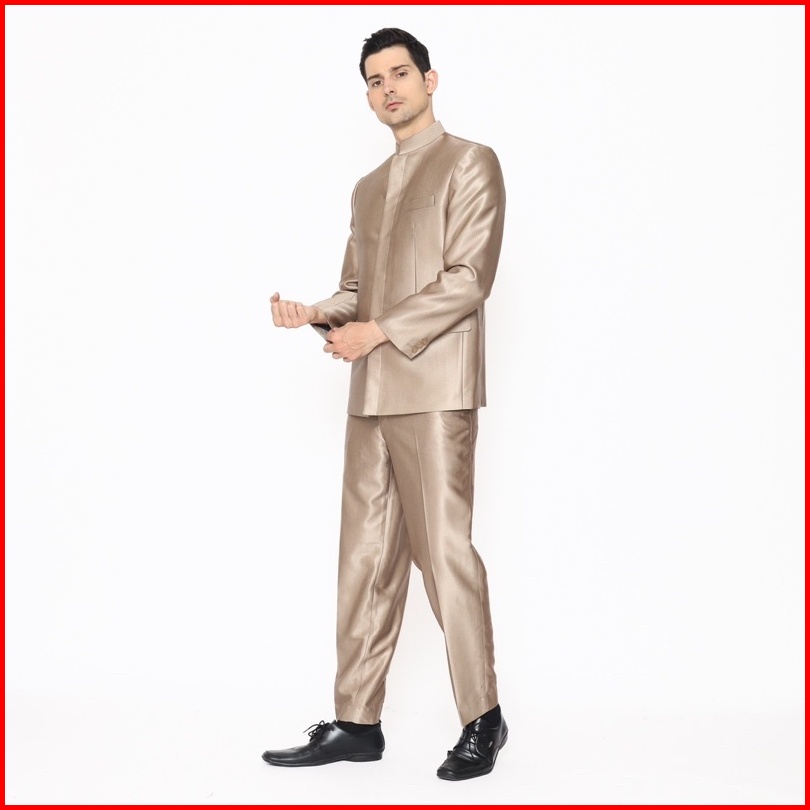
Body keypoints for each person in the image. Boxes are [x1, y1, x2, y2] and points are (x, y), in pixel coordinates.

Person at [263, 27, 507, 781]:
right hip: (370, 391)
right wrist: (316, 313)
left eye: (399, 73)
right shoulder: (367, 187)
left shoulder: (470, 161)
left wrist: (376, 330)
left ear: (430, 80)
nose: (388, 88)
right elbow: (357, 289)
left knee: (444, 553)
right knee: (364, 559)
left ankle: (483, 718)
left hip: (434, 390)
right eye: (374, 80)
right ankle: (356, 722)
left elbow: (469, 277)